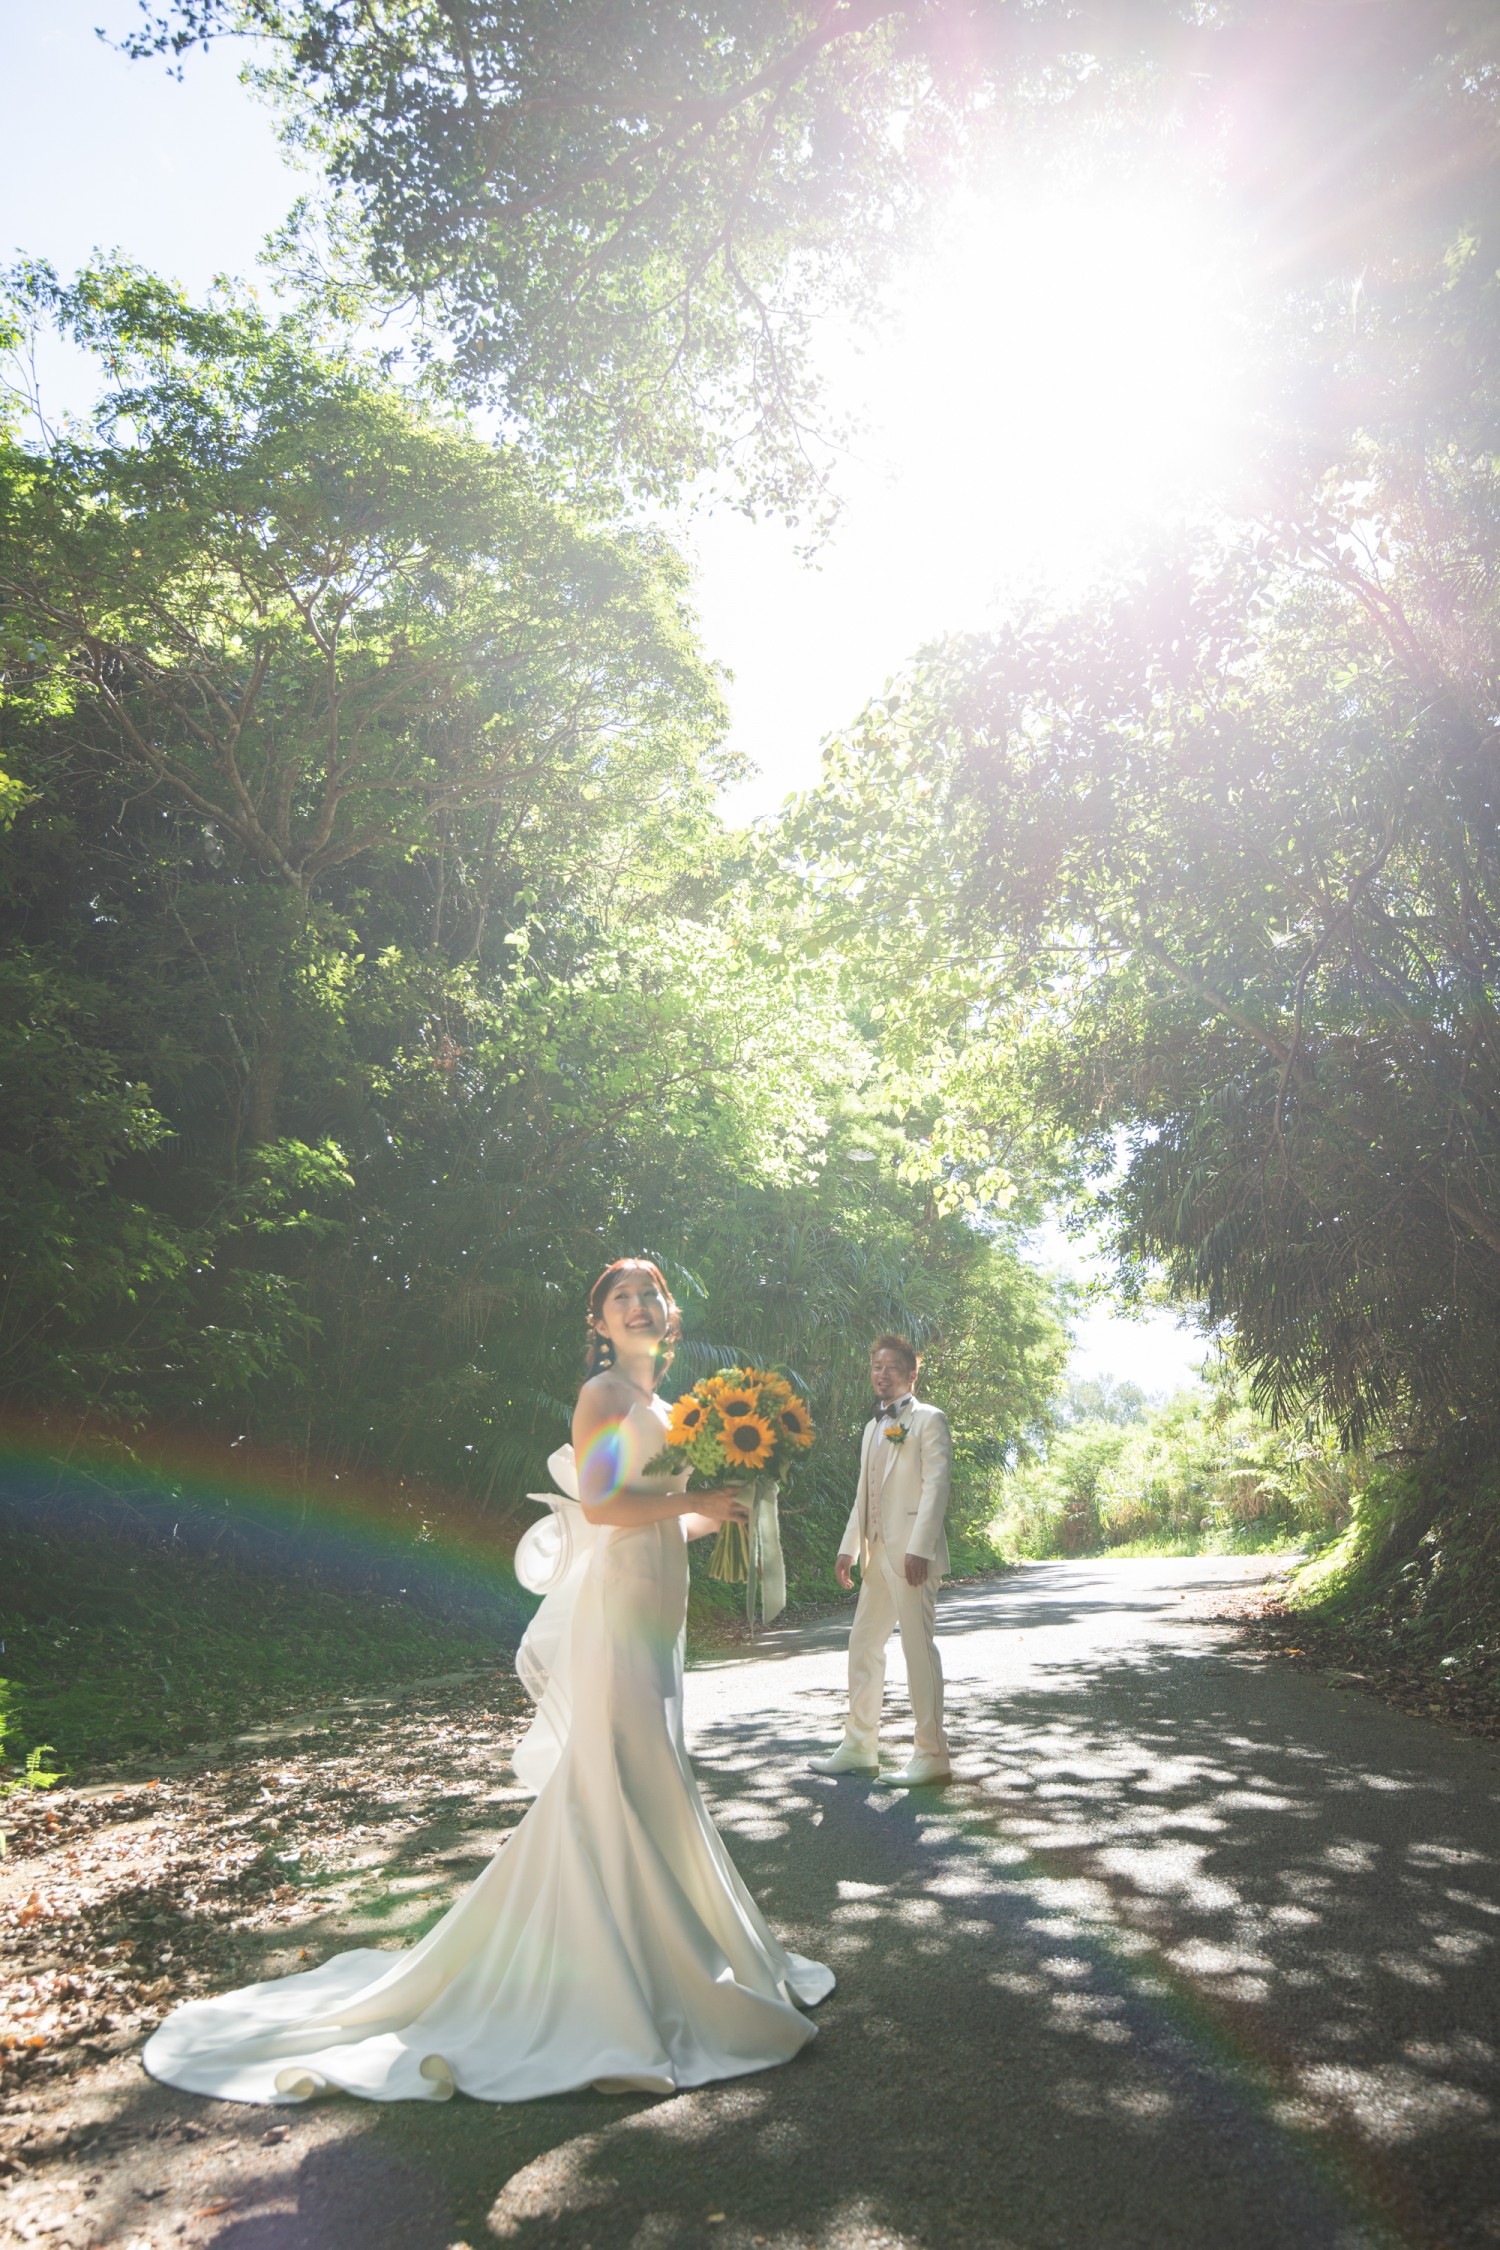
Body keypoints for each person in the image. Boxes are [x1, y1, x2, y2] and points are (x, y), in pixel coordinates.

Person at [143, 1259, 832, 2106]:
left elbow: (667, 1518)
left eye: (650, 1293)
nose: (638, 1305)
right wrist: (685, 1505)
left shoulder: (669, 1410)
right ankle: (615, 1966)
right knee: (617, 1761)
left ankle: (661, 1945)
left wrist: (724, 1504)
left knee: (652, 1760)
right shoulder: (604, 1397)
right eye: (621, 1298)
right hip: (619, 1598)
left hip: (662, 1593)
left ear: (671, 1313)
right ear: (600, 1324)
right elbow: (605, 1507)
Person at [810, 1334, 953, 1785]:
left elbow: (936, 1487)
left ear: (912, 1373)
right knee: (863, 1644)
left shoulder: (929, 1420)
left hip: (913, 1557)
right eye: (876, 1367)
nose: (882, 1374)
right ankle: (859, 1746)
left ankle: (931, 1754)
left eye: (892, 1367)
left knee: (917, 1650)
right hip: (876, 1557)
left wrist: (920, 1548)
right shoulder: (872, 1428)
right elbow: (865, 1494)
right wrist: (848, 1547)